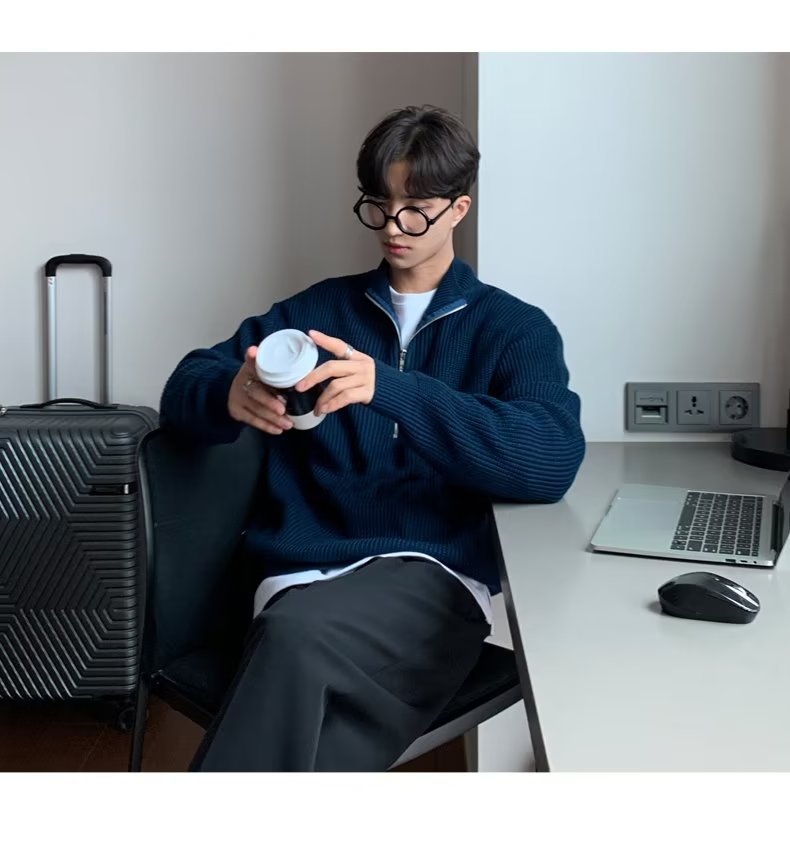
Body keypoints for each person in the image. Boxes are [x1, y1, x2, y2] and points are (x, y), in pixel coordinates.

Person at [159, 104, 585, 771]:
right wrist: (227, 392)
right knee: (305, 674)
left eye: (415, 211)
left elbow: (551, 456)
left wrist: (390, 388)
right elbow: (185, 385)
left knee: (294, 643)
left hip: (430, 582)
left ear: (458, 209)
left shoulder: (513, 329)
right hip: (298, 574)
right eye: (379, 206)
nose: (392, 226)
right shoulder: (317, 312)